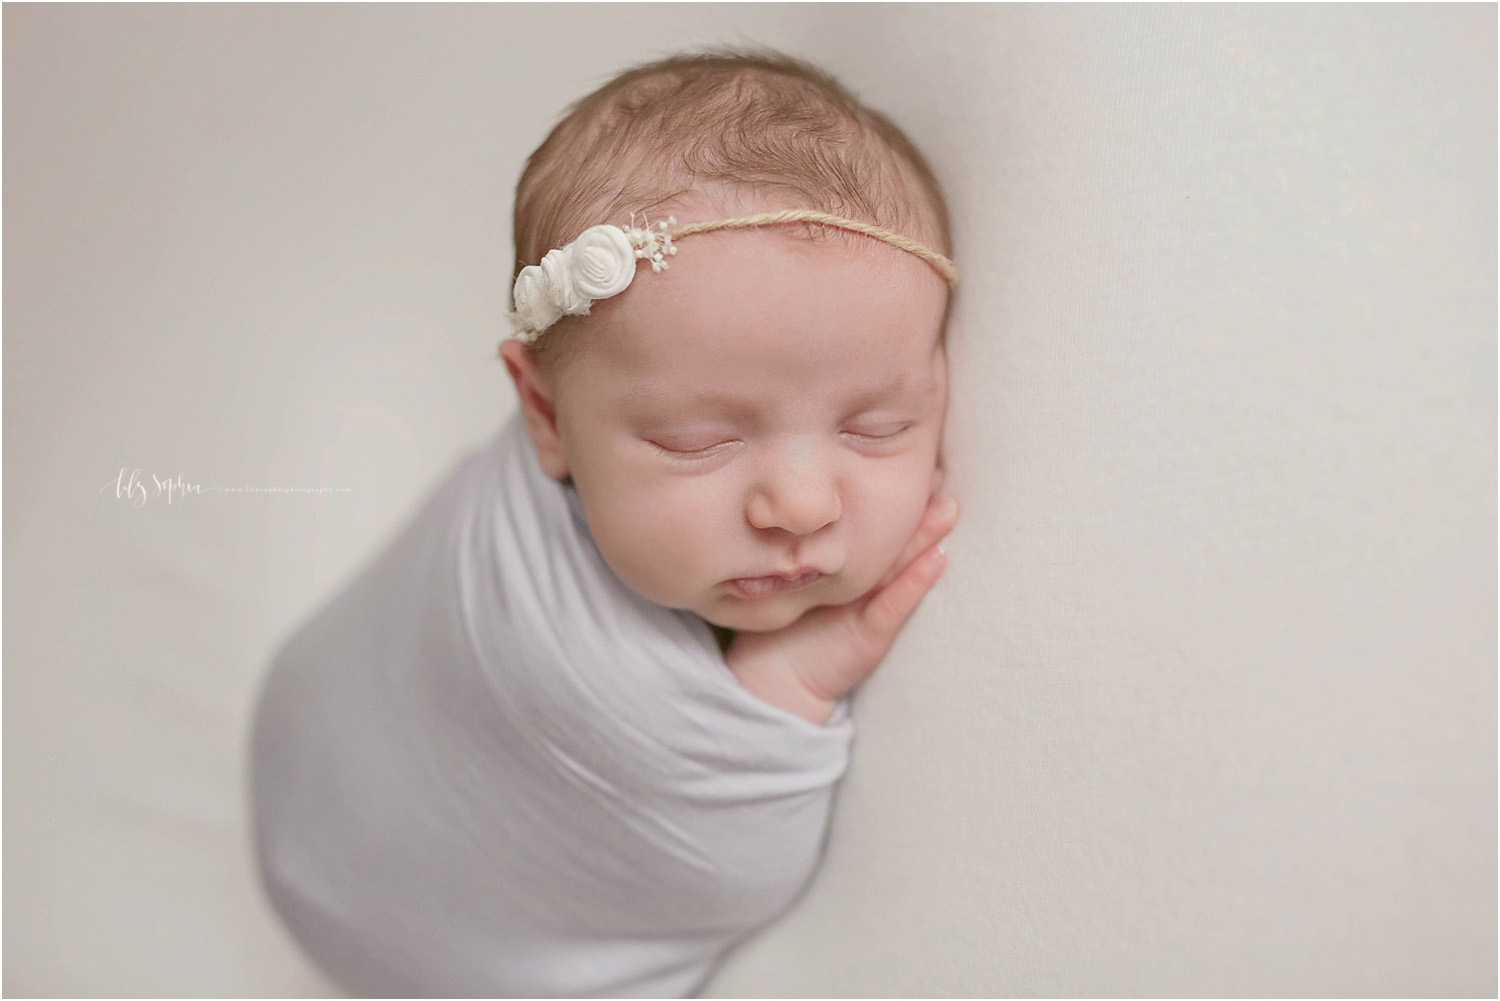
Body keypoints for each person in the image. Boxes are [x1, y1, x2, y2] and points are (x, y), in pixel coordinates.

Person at [250, 46, 960, 998]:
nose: (801, 503)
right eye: (697, 440)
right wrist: (788, 682)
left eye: (877, 426)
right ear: (545, 417)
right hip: (404, 887)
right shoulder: (529, 591)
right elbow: (733, 875)